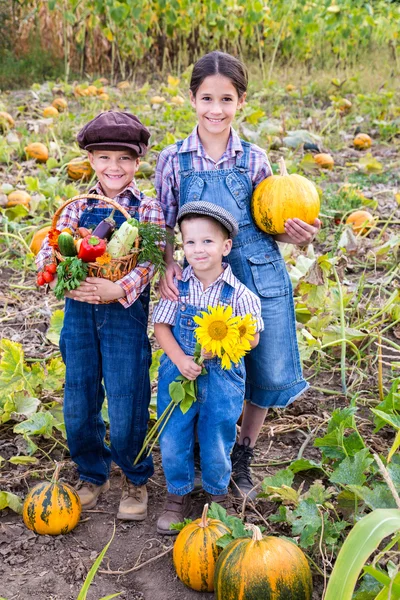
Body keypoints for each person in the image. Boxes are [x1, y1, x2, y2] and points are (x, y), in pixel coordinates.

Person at [155, 51, 321, 501]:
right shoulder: (174, 159)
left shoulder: (254, 159)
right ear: (192, 98)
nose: (215, 109)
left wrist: (298, 237)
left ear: (240, 101)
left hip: (254, 267)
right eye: (206, 98)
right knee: (197, 358)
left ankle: (240, 449)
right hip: (199, 270)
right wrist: (168, 261)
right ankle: (198, 448)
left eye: (226, 99)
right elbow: (162, 223)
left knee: (261, 365)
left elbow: (271, 223)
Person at [36, 111, 166, 520]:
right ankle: (92, 473)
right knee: (79, 396)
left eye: (124, 159)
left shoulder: (148, 208)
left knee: (128, 399)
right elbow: (53, 245)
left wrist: (119, 287)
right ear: (91, 160)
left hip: (123, 317)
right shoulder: (79, 207)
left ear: (138, 163)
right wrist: (59, 274)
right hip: (78, 315)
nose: (115, 167)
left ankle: (134, 476)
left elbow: (150, 263)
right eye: (105, 157)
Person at [153, 202, 263, 533]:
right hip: (180, 371)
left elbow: (253, 336)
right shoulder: (177, 288)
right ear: (181, 246)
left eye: (207, 242)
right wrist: (181, 359)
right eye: (190, 242)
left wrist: (224, 346)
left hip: (223, 378)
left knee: (217, 434)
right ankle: (177, 494)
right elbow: (161, 328)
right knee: (174, 433)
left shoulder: (239, 294)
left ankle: (218, 494)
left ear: (226, 247)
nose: (198, 250)